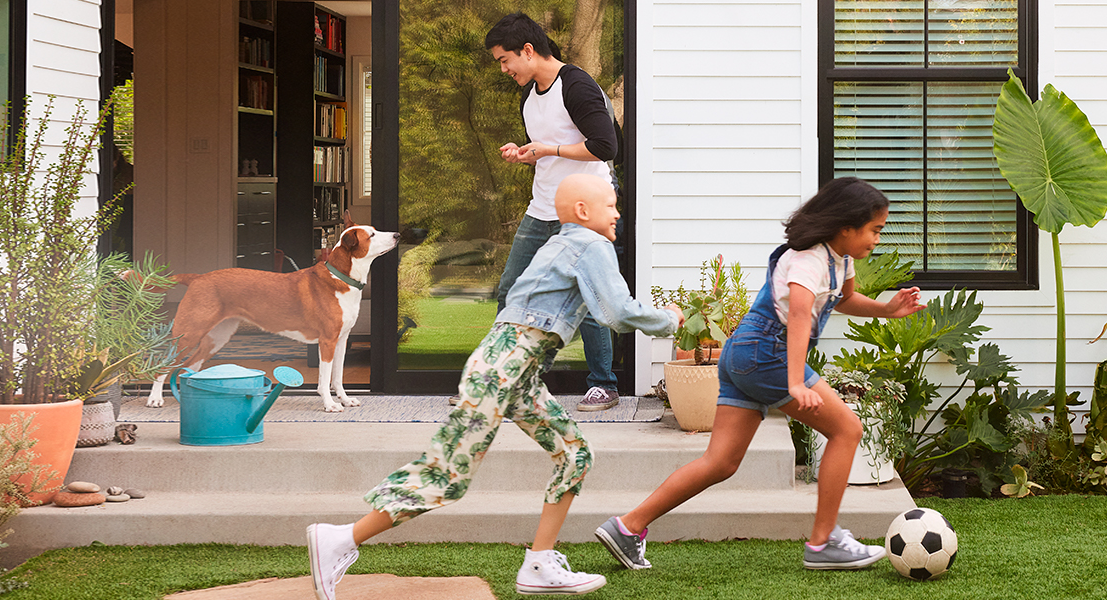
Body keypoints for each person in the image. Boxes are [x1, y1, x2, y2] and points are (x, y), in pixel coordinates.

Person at [307, 175, 683, 600]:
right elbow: (616, 311)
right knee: (448, 475)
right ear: (582, 211)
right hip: (502, 370)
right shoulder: (590, 245)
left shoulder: (559, 245)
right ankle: (340, 539)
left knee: (575, 453)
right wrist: (669, 319)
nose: (617, 212)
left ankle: (540, 562)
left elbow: (591, 309)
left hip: (513, 370)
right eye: (611, 204)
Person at [593, 177, 926, 572]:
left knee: (721, 462)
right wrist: (795, 382)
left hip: (743, 352)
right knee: (848, 430)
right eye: (875, 229)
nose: (877, 238)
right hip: (767, 351)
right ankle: (823, 543)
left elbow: (847, 299)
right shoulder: (808, 259)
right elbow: (801, 313)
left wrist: (887, 309)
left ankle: (627, 527)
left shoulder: (840, 259)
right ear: (846, 226)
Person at [485, 12, 624, 412]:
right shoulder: (530, 94)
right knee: (512, 290)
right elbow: (552, 148)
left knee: (590, 294)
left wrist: (547, 150)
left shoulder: (576, 86)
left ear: (527, 51)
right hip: (544, 204)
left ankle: (604, 385)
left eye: (504, 59)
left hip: (586, 206)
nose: (504, 68)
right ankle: (504, 380)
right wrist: (528, 153)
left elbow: (605, 146)